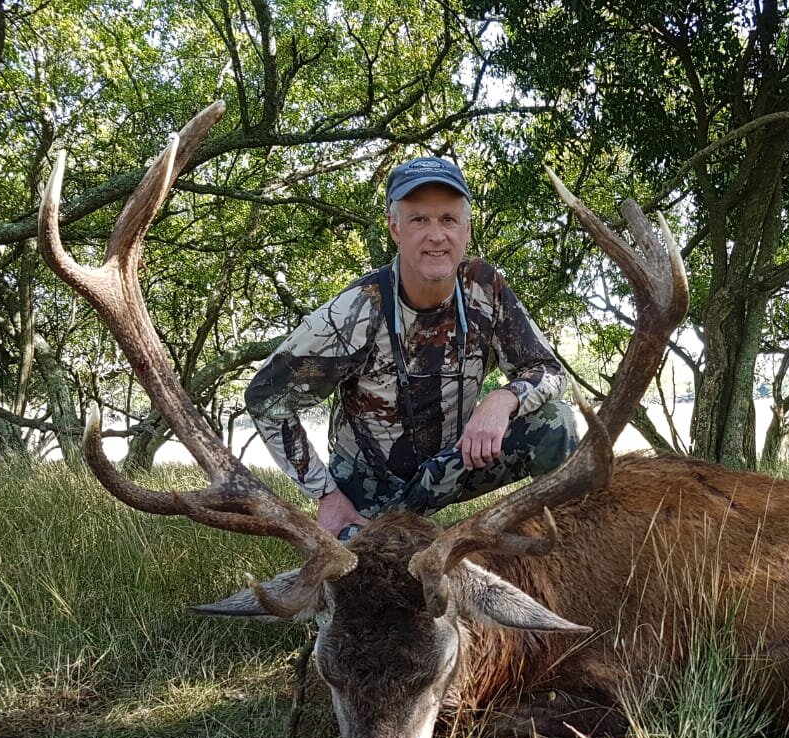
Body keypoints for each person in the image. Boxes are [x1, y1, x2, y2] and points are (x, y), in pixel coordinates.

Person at [246, 156, 575, 539]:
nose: (436, 235)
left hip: (458, 463)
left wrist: (502, 400)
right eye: (419, 220)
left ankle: (568, 553)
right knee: (352, 584)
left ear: (466, 229)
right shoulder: (354, 312)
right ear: (394, 228)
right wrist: (326, 494)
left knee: (556, 422)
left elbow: (549, 370)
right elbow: (265, 398)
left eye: (448, 219)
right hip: (373, 491)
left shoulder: (485, 287)